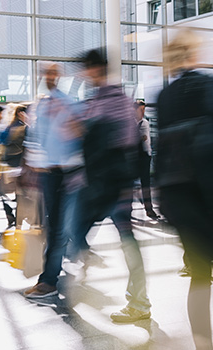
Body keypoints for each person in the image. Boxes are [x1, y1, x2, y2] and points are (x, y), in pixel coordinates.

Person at [73, 49, 151, 322]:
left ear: (96, 69)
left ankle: (139, 303)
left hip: (113, 187)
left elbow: (123, 142)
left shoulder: (113, 99)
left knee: (125, 241)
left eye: (87, 69)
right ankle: (138, 301)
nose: (84, 74)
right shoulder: (97, 100)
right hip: (105, 184)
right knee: (86, 233)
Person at [156, 29, 213, 349]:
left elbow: (163, 154)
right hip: (206, 193)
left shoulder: (165, 96)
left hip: (179, 198)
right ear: (193, 53)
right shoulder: (207, 86)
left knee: (200, 275)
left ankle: (203, 343)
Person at [23, 63, 85, 300]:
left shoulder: (66, 104)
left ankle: (49, 280)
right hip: (49, 173)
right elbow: (37, 137)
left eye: (52, 73)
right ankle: (53, 275)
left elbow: (78, 135)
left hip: (64, 173)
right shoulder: (44, 104)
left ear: (59, 77)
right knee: (55, 227)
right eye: (45, 73)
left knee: (58, 229)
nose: (47, 77)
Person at [134, 100, 159, 220]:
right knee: (131, 185)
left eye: (144, 109)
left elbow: (147, 141)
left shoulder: (145, 123)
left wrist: (149, 155)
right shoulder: (131, 124)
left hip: (145, 156)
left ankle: (149, 209)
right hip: (134, 157)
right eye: (141, 110)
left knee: (146, 184)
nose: (143, 112)